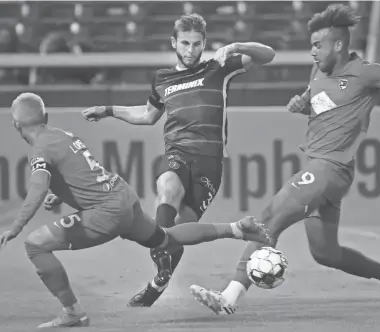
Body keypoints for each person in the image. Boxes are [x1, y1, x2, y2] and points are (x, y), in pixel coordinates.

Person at [189, 4, 380, 314]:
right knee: (326, 253)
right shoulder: (318, 70)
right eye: (311, 45)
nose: (313, 52)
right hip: (319, 168)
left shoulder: (367, 73)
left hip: (332, 168)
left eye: (318, 45)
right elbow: (314, 99)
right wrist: (301, 104)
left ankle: (228, 297)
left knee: (270, 216)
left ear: (339, 44)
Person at [0, 93, 271, 328]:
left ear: (15, 124)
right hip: (123, 198)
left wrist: (16, 226)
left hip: (105, 213)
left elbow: (36, 188)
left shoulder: (39, 149)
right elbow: (80, 174)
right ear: (45, 116)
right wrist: (58, 194)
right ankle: (236, 229)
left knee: (35, 245)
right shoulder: (60, 135)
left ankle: (72, 313)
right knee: (166, 238)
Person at [81, 12, 276, 307]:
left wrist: (236, 46)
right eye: (185, 43)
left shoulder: (219, 68)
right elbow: (147, 116)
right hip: (177, 151)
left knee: (177, 235)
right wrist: (108, 110)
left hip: (209, 162)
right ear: (174, 42)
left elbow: (268, 55)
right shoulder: (162, 78)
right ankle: (165, 264)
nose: (190, 50)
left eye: (197, 44)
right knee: (168, 188)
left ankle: (159, 282)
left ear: (204, 43)